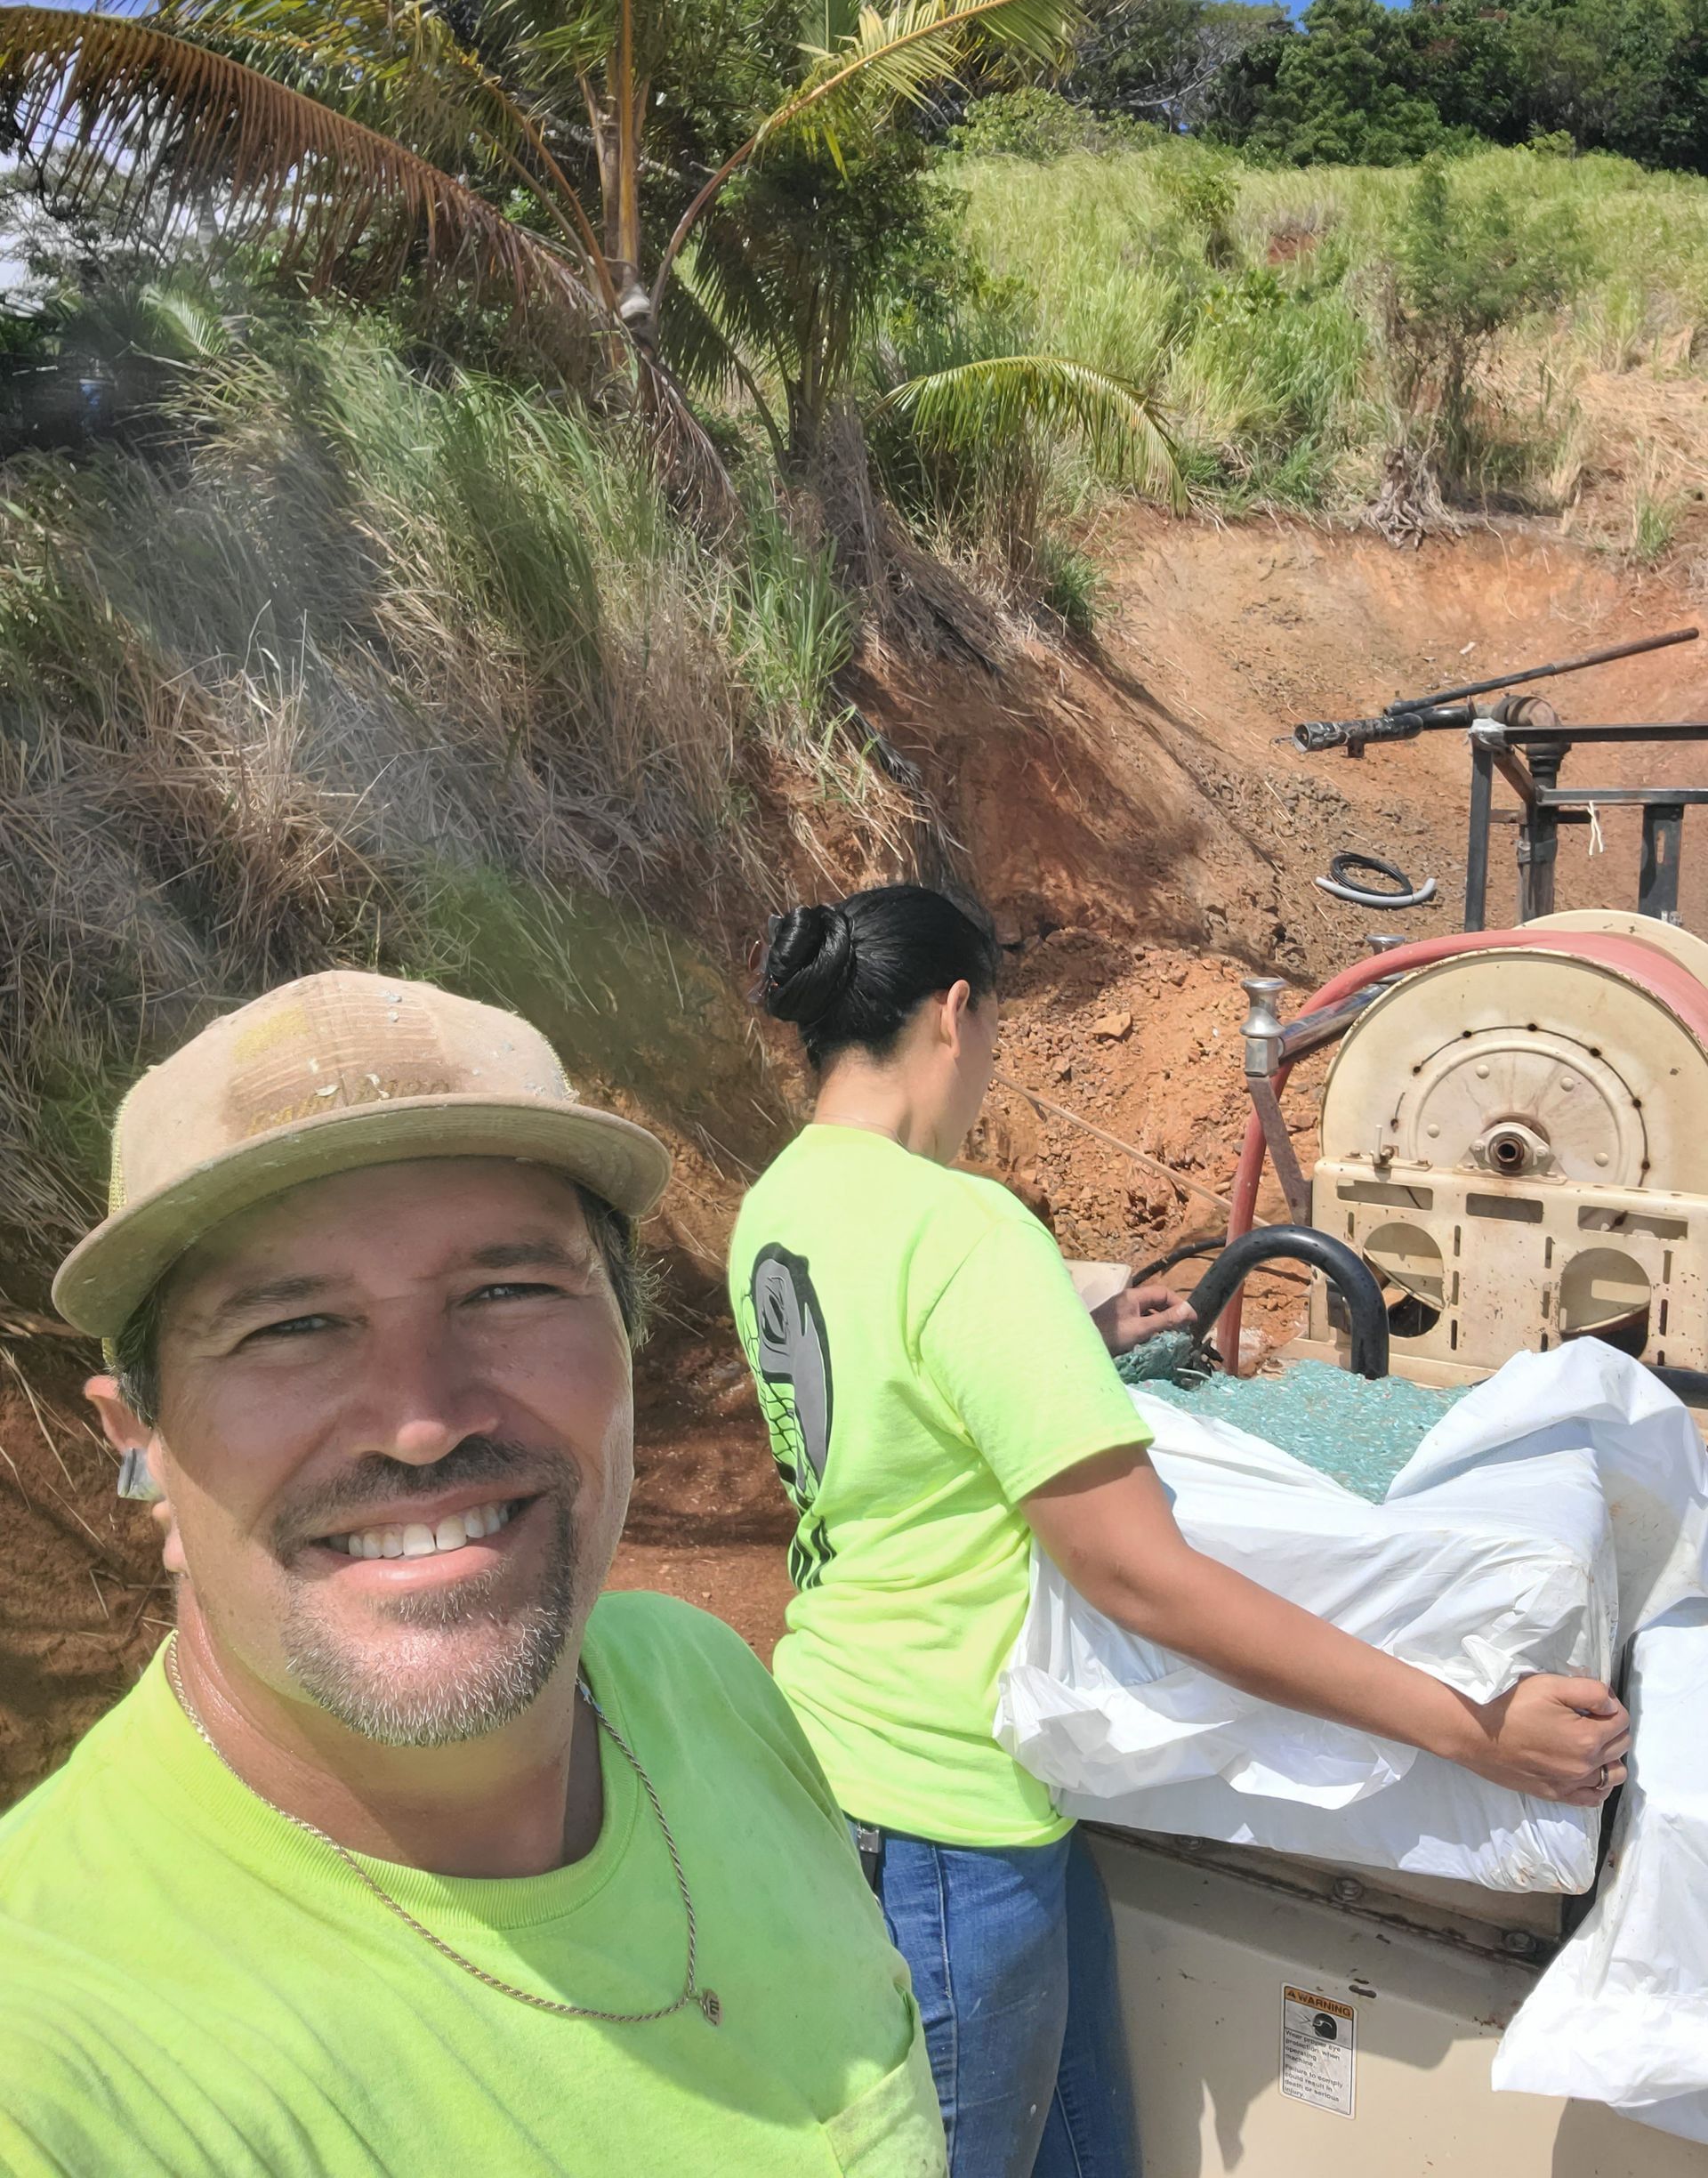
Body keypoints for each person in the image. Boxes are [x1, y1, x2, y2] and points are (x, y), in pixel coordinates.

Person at [728, 883, 1631, 2178]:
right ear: (957, 1011)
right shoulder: (964, 1227)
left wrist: (1069, 1342)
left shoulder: (780, 1204)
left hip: (833, 1750)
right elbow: (1144, 1579)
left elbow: (880, 1403)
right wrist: (1470, 1727)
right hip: (951, 1813)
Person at [0, 970, 947, 2178]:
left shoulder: (705, 1685)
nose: (421, 1420)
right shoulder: (54, 2081)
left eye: (506, 1291)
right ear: (143, 1452)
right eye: (288, 1326)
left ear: (625, 1347)